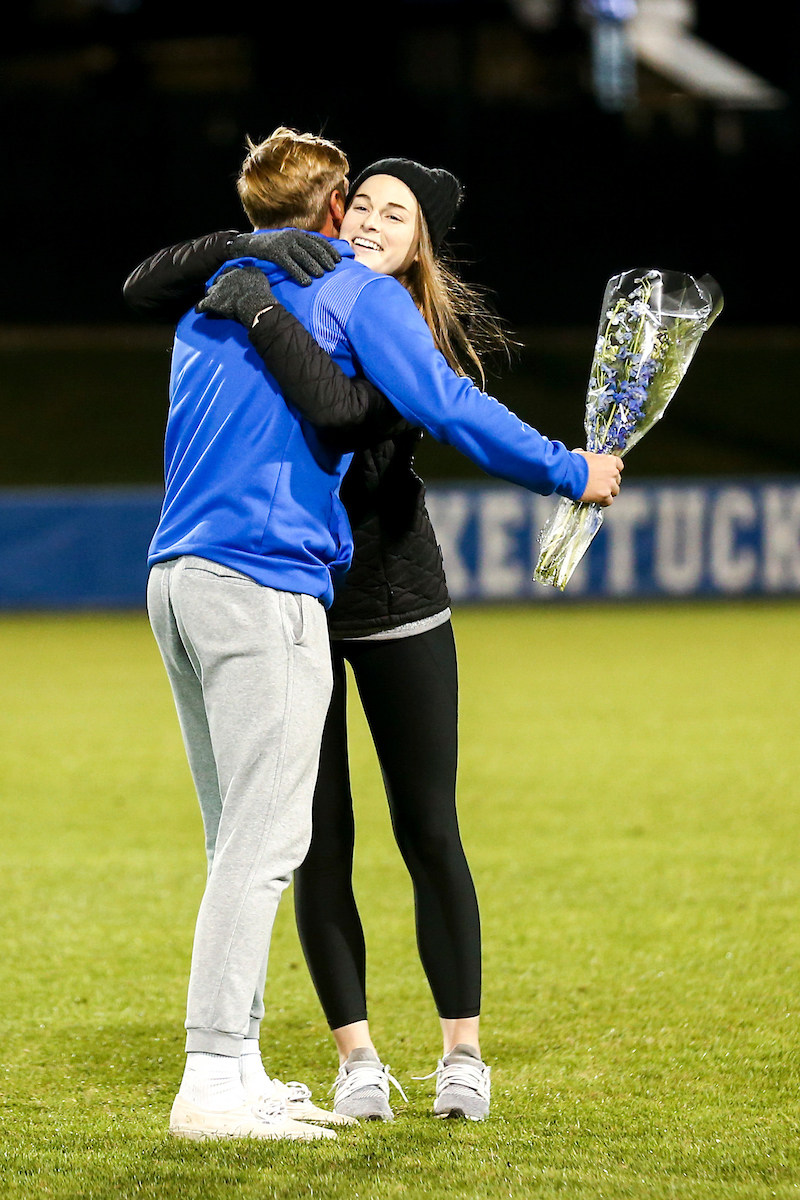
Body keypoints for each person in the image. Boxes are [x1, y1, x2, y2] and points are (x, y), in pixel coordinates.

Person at [128, 127, 622, 1138]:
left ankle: (244, 1067)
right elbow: (445, 408)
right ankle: (215, 1078)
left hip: (176, 578)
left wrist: (249, 279)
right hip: (265, 581)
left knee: (245, 840)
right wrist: (572, 471)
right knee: (270, 845)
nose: (366, 219)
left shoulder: (220, 288)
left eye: (392, 211)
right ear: (330, 208)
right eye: (359, 202)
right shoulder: (350, 296)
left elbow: (342, 406)